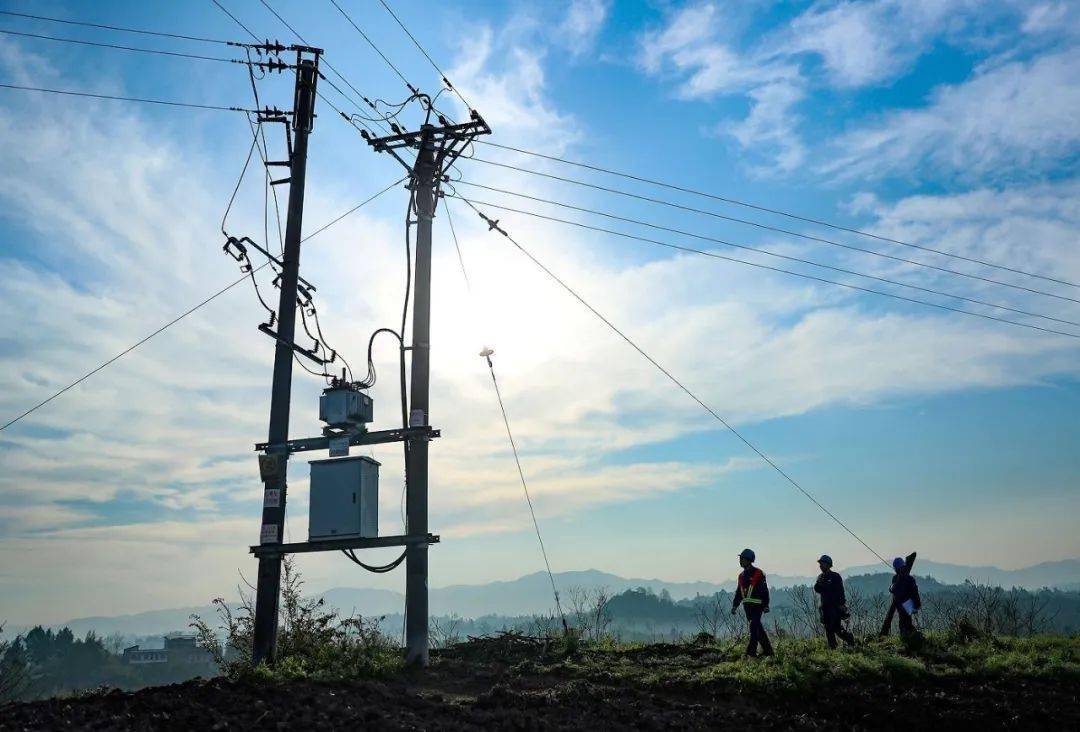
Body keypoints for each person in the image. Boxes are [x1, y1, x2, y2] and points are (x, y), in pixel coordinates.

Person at [731, 548, 773, 657]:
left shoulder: (758, 573)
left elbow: (764, 590)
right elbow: (739, 592)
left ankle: (751, 653)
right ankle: (769, 652)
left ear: (749, 560)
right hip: (747, 607)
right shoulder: (741, 576)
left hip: (757, 606)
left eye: (742, 559)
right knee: (758, 630)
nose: (740, 561)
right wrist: (735, 605)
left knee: (753, 628)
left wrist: (766, 605)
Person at [813, 554, 855, 648]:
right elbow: (817, 589)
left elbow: (841, 592)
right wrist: (819, 585)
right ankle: (834, 647)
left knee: (834, 628)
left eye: (822, 563)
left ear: (828, 565)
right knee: (830, 629)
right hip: (825, 607)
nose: (820, 566)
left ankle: (848, 639)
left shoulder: (835, 577)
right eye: (820, 564)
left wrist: (842, 605)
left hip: (835, 607)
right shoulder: (820, 577)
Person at [882, 553, 921, 637]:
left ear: (896, 568)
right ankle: (912, 636)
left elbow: (893, 589)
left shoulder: (896, 578)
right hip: (910, 605)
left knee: (903, 622)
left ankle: (907, 637)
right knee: (907, 621)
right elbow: (915, 592)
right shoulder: (910, 578)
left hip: (902, 605)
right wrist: (916, 605)